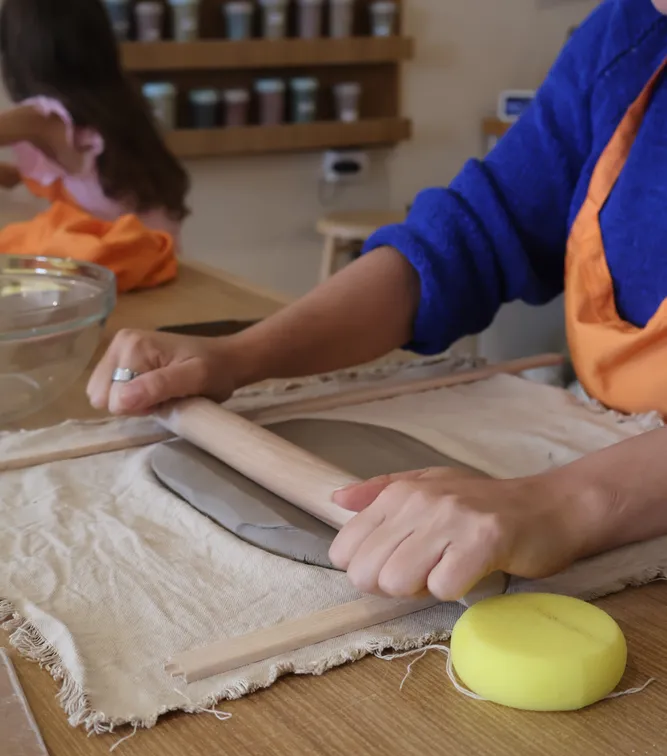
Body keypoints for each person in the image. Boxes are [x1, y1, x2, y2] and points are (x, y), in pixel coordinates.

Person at [89, 0, 667, 601]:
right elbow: (470, 241)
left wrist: (559, 504)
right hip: (603, 445)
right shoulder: (630, 36)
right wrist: (237, 357)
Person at [0, 0, 189, 291]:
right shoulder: (116, 103)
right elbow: (89, 182)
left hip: (117, 270)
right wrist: (11, 175)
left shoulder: (44, 116)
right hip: (160, 264)